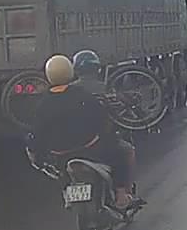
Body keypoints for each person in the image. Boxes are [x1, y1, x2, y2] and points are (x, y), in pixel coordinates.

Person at [30, 52, 140, 211]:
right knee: (124, 151)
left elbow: (37, 134)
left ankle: (67, 193)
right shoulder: (83, 95)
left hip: (61, 157)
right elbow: (101, 120)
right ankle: (121, 195)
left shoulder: (42, 104)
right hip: (91, 150)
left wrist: (38, 157)